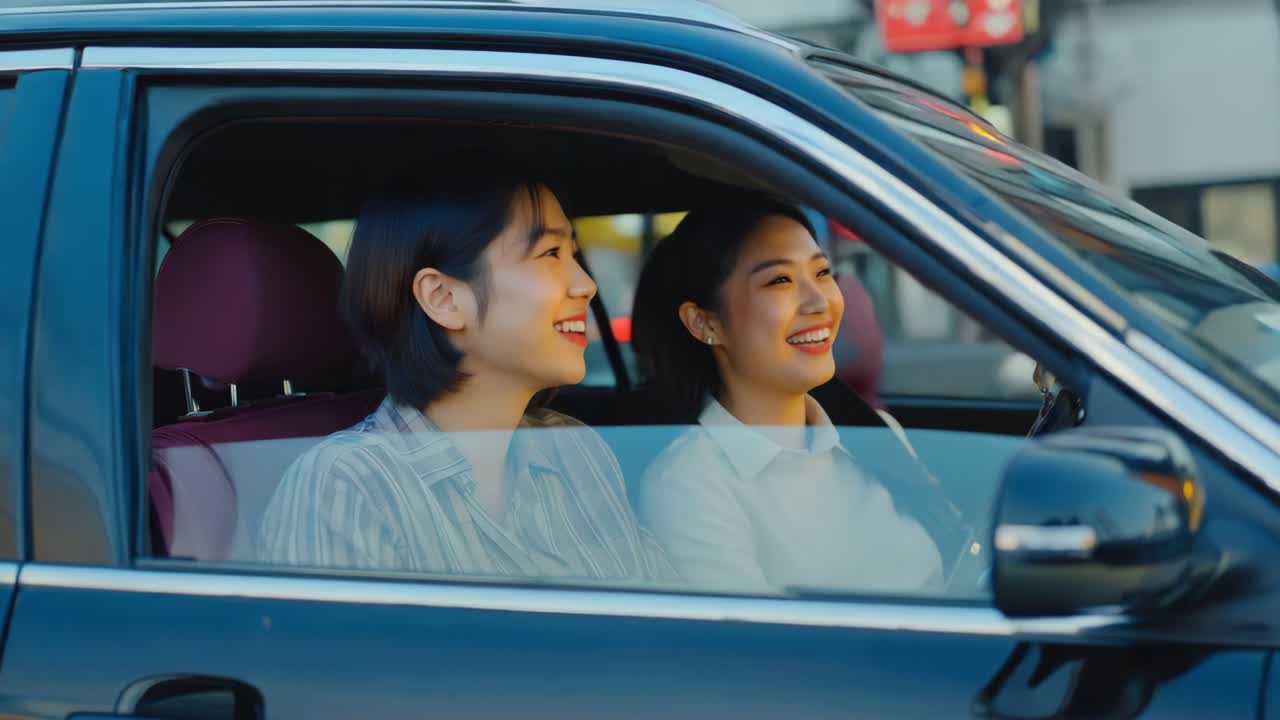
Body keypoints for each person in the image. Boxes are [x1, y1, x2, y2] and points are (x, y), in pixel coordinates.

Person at [258, 167, 673, 582]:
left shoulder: (575, 451)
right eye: (551, 253)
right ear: (444, 298)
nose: (585, 285)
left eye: (574, 255)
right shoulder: (351, 485)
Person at [631, 195, 950, 595]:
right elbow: (753, 634)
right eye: (780, 280)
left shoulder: (874, 430)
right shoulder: (689, 484)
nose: (819, 302)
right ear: (704, 323)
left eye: (822, 272)